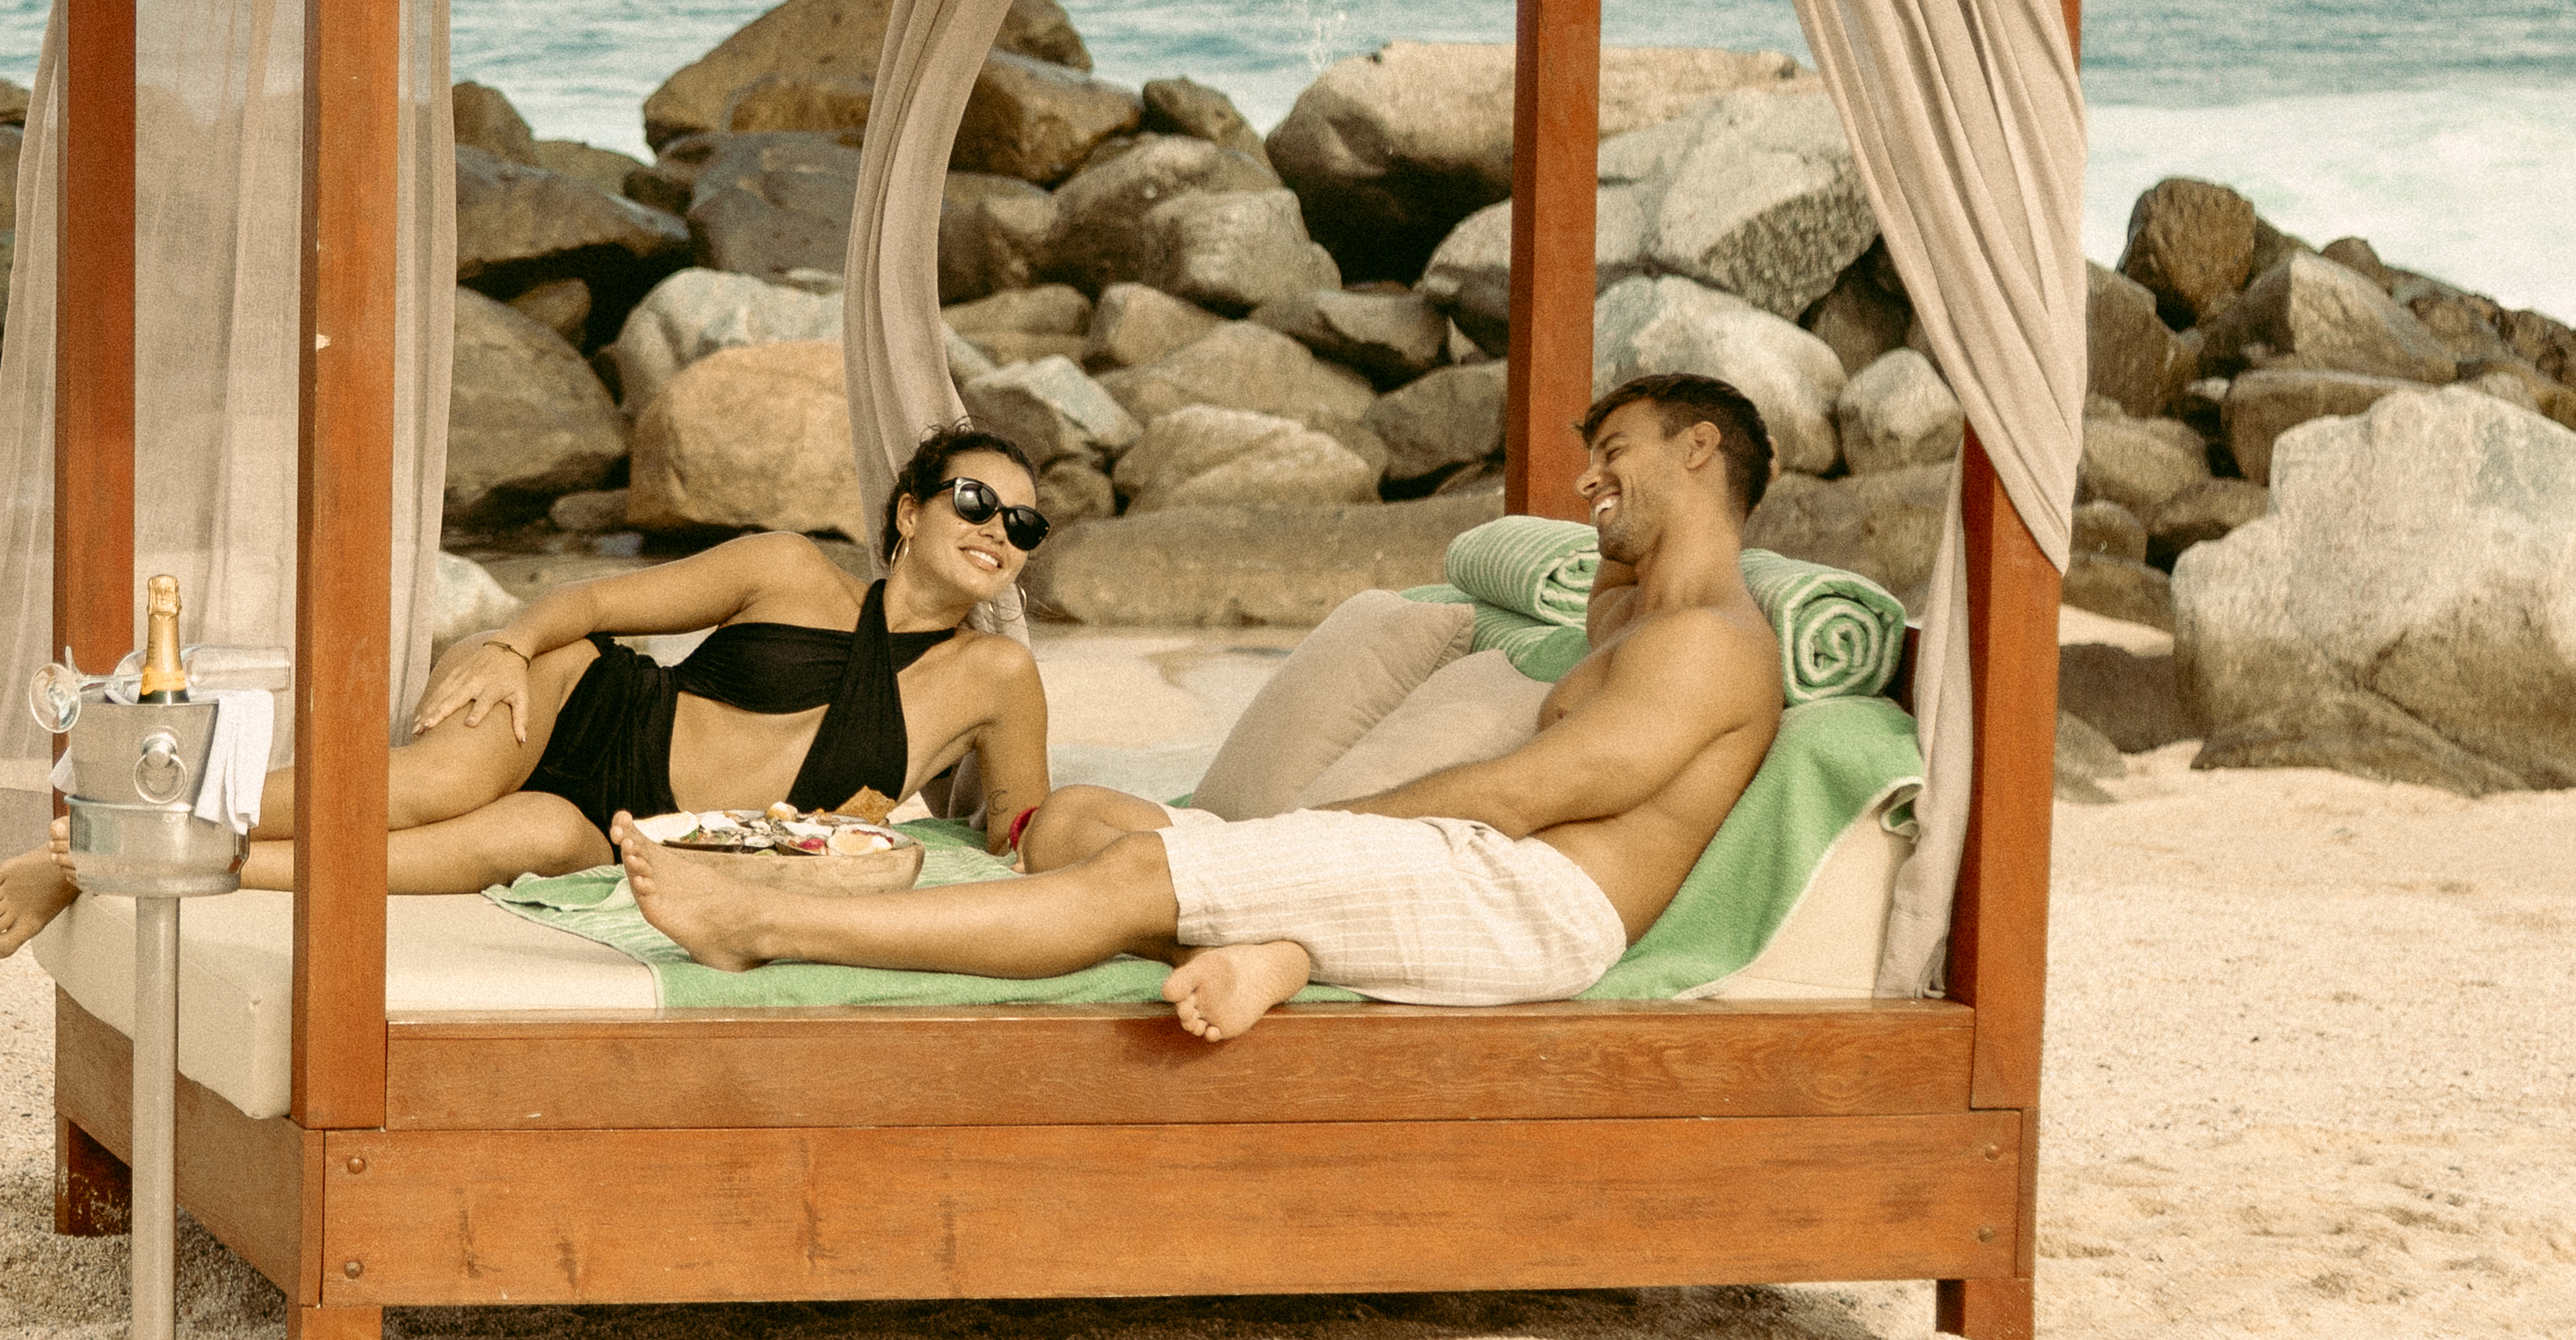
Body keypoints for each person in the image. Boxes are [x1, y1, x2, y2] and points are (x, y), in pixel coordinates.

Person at [616, 374, 1788, 1041]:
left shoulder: (1708, 645)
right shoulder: (1639, 614)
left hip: (1532, 900)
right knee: (1072, 822)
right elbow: (1560, 590)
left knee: (1123, 878)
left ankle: (767, 925)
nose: (1586, 484)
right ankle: (1280, 947)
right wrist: (1616, 548)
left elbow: (1544, 789)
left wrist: (1321, 830)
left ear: (1701, 448)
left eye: (1615, 453)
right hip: (1472, 874)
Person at [0, 424, 1062, 958]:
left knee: (519, 840)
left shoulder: (996, 674)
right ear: (910, 510)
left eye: (1022, 524)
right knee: (428, 785)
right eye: (975, 499)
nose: (996, 530)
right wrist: (504, 644)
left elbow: (1018, 824)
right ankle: (130, 821)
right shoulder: (786, 566)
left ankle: (142, 864)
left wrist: (1101, 844)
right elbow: (591, 607)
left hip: (636, 823)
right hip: (590, 701)